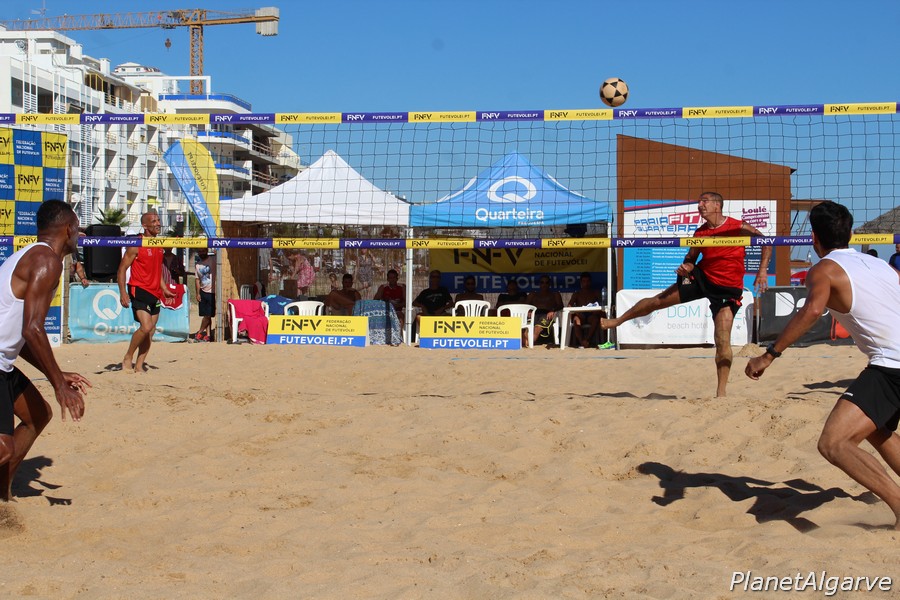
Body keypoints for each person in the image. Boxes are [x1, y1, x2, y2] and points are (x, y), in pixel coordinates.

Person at [745, 201, 900, 529]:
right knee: (876, 429)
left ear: (813, 237)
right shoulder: (882, 266)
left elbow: (812, 311)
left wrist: (768, 355)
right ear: (851, 233)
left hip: (891, 364)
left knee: (833, 443)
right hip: (892, 362)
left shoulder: (824, 270)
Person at [601, 191, 772, 397]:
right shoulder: (700, 233)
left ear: (717, 206)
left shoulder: (737, 226)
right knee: (658, 301)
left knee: (722, 339)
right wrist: (687, 267)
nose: (700, 205)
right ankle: (618, 321)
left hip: (727, 289)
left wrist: (762, 270)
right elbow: (690, 258)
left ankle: (721, 393)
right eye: (699, 202)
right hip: (702, 278)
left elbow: (767, 241)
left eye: (704, 201)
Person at [0, 200, 91, 501]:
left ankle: (2, 496)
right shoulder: (46, 260)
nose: (79, 234)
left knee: (38, 415)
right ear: (68, 229)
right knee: (3, 448)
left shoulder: (32, 255)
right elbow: (32, 329)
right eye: (77, 228)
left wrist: (58, 373)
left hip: (3, 363)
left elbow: (21, 337)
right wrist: (58, 385)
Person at [117, 211, 175, 373]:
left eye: (158, 220)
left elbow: (157, 270)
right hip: (139, 288)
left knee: (151, 331)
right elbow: (122, 269)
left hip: (155, 291)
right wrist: (122, 292)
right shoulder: (137, 244)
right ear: (144, 225)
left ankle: (139, 365)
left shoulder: (158, 244)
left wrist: (164, 288)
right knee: (146, 326)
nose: (158, 223)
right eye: (154, 221)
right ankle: (128, 357)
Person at [567, 272, 606, 348]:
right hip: (580, 315)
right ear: (581, 282)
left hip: (591, 315)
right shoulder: (577, 294)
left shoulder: (595, 293)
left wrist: (596, 311)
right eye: (584, 281)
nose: (586, 283)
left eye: (588, 281)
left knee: (595, 319)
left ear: (590, 282)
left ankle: (587, 340)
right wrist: (576, 312)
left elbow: (602, 305)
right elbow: (569, 305)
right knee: (576, 320)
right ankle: (582, 341)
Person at [526, 276, 564, 345]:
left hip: (547, 314)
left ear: (549, 284)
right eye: (542, 282)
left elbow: (561, 305)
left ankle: (529, 343)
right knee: (526, 328)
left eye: (547, 282)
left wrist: (553, 310)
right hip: (535, 313)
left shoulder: (554, 294)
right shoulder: (533, 294)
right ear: (539, 284)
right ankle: (525, 342)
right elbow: (525, 305)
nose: (544, 284)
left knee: (537, 327)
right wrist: (529, 311)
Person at [193, 249, 216, 342]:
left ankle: (200, 332)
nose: (201, 253)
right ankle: (208, 335)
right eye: (200, 251)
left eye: (203, 251)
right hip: (203, 291)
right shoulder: (197, 265)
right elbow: (197, 279)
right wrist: (197, 293)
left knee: (208, 314)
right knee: (206, 315)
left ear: (206, 251)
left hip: (212, 291)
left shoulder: (213, 260)